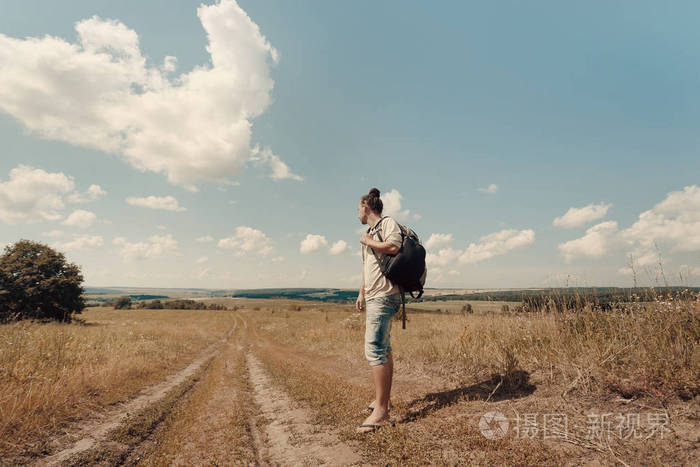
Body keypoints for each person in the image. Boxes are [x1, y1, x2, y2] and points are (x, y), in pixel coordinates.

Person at [355, 187, 403, 433]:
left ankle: (381, 412)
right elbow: (368, 267)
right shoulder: (369, 233)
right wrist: (362, 292)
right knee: (384, 348)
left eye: (358, 209)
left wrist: (369, 241)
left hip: (385, 295)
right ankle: (384, 400)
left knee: (374, 349)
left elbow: (394, 247)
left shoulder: (387, 224)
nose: (357, 214)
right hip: (373, 295)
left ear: (366, 207)